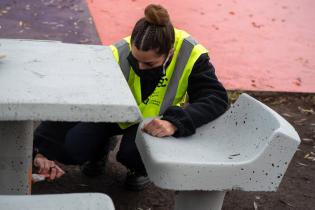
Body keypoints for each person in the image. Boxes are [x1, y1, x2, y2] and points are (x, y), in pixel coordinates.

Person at [32, 4, 228, 190]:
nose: (141, 68)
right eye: (136, 60)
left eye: (149, 64)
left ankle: (139, 169)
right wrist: (44, 148)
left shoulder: (191, 54)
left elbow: (216, 98)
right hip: (114, 117)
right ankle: (99, 150)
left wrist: (174, 123)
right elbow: (76, 96)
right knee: (70, 148)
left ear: (170, 53)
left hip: (155, 122)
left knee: (131, 154)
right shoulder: (117, 53)